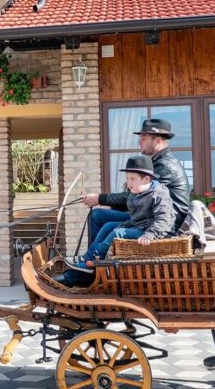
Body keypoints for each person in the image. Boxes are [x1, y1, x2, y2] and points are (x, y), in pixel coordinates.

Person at [55, 155, 175, 287]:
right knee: (108, 226)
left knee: (117, 233)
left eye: (132, 179)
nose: (129, 183)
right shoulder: (135, 192)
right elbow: (130, 211)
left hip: (149, 233)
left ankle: (90, 259)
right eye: (128, 179)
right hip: (138, 227)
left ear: (147, 179)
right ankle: (89, 258)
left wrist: (150, 234)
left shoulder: (159, 194)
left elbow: (164, 219)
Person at [84, 118, 191, 243]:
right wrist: (111, 205)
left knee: (98, 216)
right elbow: (138, 200)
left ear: (158, 140)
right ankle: (95, 258)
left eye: (144, 138)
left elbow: (138, 196)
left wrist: (99, 198)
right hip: (148, 218)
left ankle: (94, 260)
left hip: (162, 225)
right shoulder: (159, 162)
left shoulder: (165, 166)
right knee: (100, 216)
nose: (139, 142)